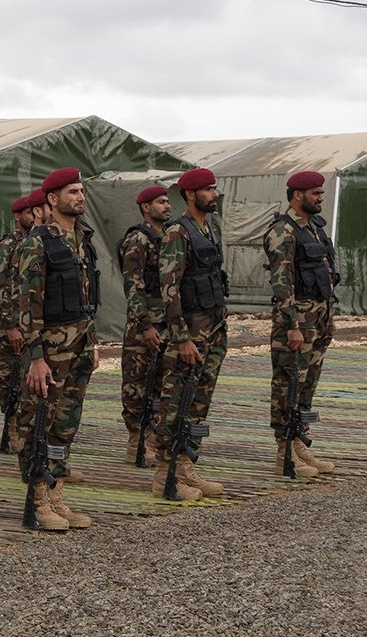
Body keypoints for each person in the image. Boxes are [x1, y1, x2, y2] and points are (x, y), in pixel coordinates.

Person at [15, 168, 99, 531]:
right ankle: (37, 500)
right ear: (52, 199)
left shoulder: (83, 239)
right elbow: (27, 304)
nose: (80, 197)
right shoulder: (38, 242)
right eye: (72, 192)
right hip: (49, 350)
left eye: (81, 191)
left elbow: (88, 298)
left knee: (65, 425)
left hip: (79, 344)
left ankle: (56, 493)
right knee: (39, 424)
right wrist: (35, 356)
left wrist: (93, 343)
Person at [152, 167, 228, 501]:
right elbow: (169, 289)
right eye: (208, 190)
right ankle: (164, 474)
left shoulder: (209, 229)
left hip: (213, 328)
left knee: (199, 401)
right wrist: (181, 337)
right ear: (190, 195)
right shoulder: (177, 233)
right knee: (175, 402)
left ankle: (185, 465)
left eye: (215, 188)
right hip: (190, 334)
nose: (214, 194)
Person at [264, 170, 338, 477]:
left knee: (308, 383)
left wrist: (330, 316)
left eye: (322, 193)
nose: (321, 198)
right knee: (288, 383)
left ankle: (299, 444)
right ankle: (284, 451)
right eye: (315, 193)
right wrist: (292, 324)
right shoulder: (283, 231)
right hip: (296, 321)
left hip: (317, 319)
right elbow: (282, 283)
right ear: (298, 195)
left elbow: (326, 275)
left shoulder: (317, 229)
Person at [117, 184, 172, 466]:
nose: (167, 206)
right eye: (160, 202)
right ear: (145, 207)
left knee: (161, 383)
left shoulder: (170, 237)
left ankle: (152, 438)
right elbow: (133, 287)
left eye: (167, 201)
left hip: (167, 323)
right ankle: (135, 440)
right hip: (144, 326)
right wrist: (146, 324)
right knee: (137, 384)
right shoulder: (138, 240)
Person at [0, 194, 35, 453]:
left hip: (29, 323)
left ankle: (22, 428)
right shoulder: (8, 245)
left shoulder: (34, 242)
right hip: (13, 325)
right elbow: (2, 288)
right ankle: (12, 429)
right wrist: (10, 325)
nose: (34, 216)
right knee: (9, 379)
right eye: (29, 213)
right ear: (18, 216)